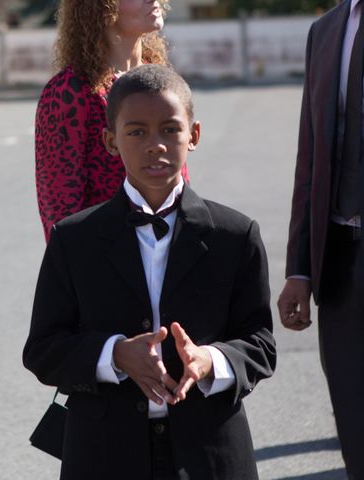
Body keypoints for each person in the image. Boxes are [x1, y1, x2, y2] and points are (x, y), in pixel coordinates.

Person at [23, 64, 276, 479]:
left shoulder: (235, 235)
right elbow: (43, 349)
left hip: (209, 454)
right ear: (110, 140)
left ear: (193, 135)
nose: (154, 145)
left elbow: (260, 344)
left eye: (169, 130)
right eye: (136, 132)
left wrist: (211, 360)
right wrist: (115, 354)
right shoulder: (74, 239)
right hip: (104, 453)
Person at [277, 1, 364, 477]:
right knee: (353, 416)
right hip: (340, 259)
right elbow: (310, 154)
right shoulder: (325, 31)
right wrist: (299, 269)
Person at [35, 0, 189, 242]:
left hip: (171, 251)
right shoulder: (71, 90)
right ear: (100, 6)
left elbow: (180, 180)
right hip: (108, 261)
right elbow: (60, 207)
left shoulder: (161, 81)